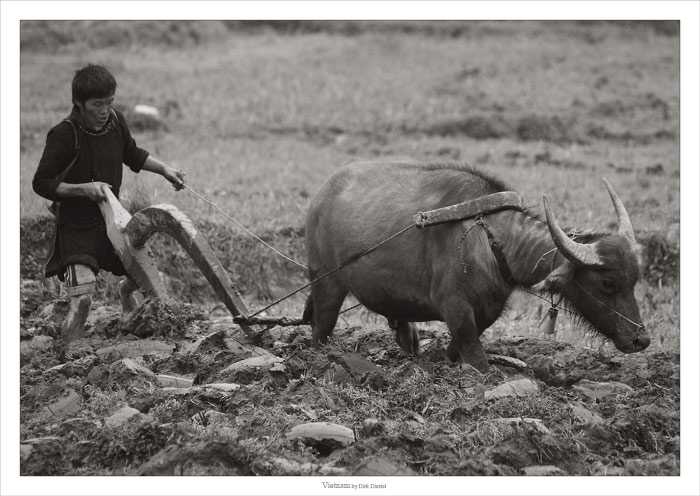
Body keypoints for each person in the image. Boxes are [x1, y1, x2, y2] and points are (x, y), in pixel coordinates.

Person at [32, 64, 185, 348]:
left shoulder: (115, 121)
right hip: (76, 226)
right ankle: (67, 355)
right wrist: (84, 190)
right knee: (83, 301)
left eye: (109, 102)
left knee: (149, 281)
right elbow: (41, 183)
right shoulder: (64, 134)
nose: (104, 110)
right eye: (97, 104)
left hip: (113, 221)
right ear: (79, 103)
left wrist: (165, 169)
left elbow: (132, 154)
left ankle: (125, 298)